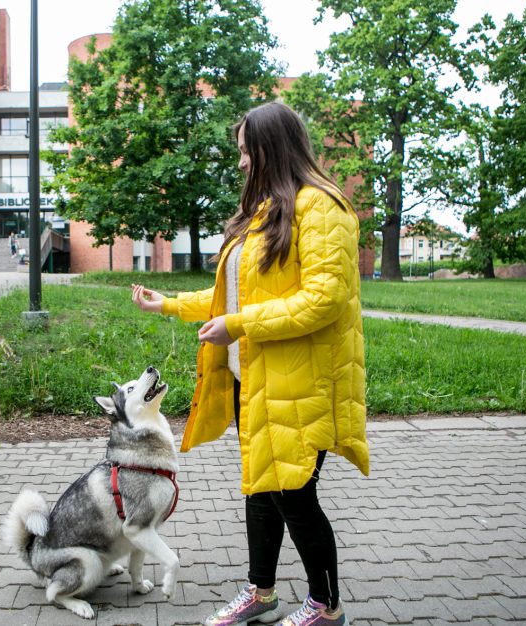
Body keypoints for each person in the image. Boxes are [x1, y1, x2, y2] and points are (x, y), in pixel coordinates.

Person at [131, 102, 368, 626]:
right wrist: (167, 304)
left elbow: (323, 301)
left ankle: (327, 607)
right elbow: (232, 297)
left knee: (294, 495)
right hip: (254, 379)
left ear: (268, 148)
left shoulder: (322, 207)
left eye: (244, 150)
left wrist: (239, 326)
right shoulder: (267, 212)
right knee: (262, 489)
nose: (240, 162)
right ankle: (261, 593)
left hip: (301, 381)